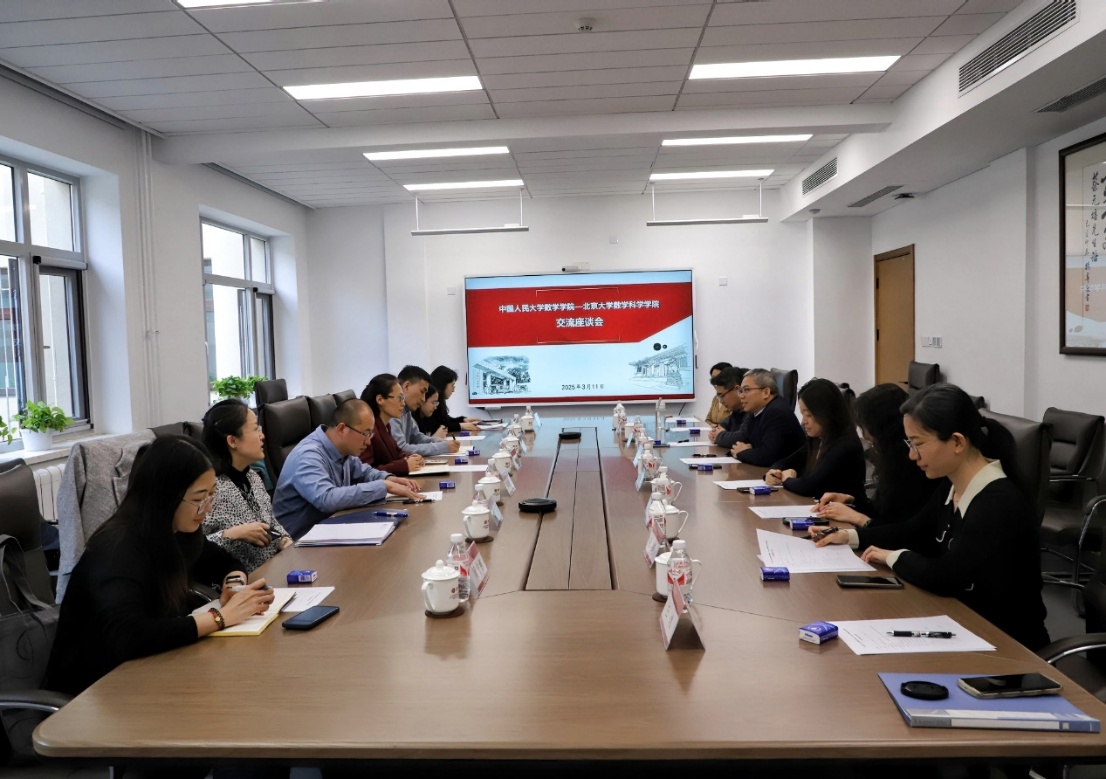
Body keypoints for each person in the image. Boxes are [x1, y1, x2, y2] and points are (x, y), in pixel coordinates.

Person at [814, 383, 1049, 650]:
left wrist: (892, 556)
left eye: (918, 444)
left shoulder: (997, 503)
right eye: (909, 444)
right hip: (963, 625)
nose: (912, 455)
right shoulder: (951, 485)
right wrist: (849, 536)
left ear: (957, 442)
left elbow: (946, 576)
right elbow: (913, 532)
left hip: (1006, 646)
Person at [45, 435, 276, 697]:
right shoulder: (117, 550)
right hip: (96, 692)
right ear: (166, 497)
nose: (207, 508)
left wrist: (234, 586)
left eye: (211, 494)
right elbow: (129, 635)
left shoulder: (176, 531)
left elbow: (224, 562)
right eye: (199, 498)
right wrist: (220, 617)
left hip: (151, 670)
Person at [272, 399, 425, 539]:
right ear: (342, 429)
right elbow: (326, 499)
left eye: (370, 434)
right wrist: (382, 486)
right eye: (365, 434)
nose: (368, 442)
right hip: (298, 543)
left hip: (330, 530)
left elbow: (364, 472)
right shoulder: (308, 455)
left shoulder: (342, 450)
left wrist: (388, 478)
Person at [813, 384, 940, 528]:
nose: (865, 435)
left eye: (865, 426)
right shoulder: (892, 457)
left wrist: (859, 519)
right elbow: (882, 511)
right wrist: (852, 502)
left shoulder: (913, 466)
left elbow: (900, 531)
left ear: (881, 427)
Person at [200, 399, 293, 572]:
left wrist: (284, 540)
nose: (262, 435)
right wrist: (231, 534)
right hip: (241, 579)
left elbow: (271, 523)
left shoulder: (252, 476)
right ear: (232, 441)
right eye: (255, 428)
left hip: (275, 568)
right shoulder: (209, 489)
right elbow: (191, 547)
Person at [765, 378, 865, 498]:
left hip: (847, 509)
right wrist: (774, 473)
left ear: (826, 413)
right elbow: (784, 462)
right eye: (802, 414)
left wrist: (787, 479)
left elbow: (808, 487)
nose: (804, 421)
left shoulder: (844, 446)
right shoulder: (818, 439)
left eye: (808, 415)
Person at [727, 369, 806, 466]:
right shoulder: (755, 411)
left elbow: (768, 456)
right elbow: (745, 440)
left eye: (746, 390)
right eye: (741, 391)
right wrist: (746, 450)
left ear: (766, 392)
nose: (741, 396)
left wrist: (742, 453)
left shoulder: (776, 413)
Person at [360, 373, 425, 475]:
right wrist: (404, 465)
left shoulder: (385, 425)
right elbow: (364, 473)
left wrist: (411, 458)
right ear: (380, 399)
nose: (403, 403)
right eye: (400, 398)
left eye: (403, 399)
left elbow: (397, 454)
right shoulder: (369, 431)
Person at [390, 365, 460, 456]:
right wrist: (442, 447)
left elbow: (417, 437)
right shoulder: (393, 412)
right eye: (422, 392)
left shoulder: (406, 412)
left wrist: (439, 441)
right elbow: (401, 449)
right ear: (406, 386)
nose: (423, 399)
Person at [427, 365, 481, 433]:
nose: (453, 390)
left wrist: (463, 420)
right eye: (452, 385)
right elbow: (437, 427)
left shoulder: (439, 400)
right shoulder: (431, 402)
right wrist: (460, 426)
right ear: (443, 384)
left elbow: (445, 420)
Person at [707, 366, 747, 449]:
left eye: (722, 395)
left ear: (737, 389)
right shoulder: (737, 411)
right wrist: (716, 431)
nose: (721, 401)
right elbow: (724, 425)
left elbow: (743, 438)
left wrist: (719, 436)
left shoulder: (752, 411)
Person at [704, 361, 733, 426]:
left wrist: (717, 427)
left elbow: (732, 423)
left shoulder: (733, 398)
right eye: (713, 379)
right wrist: (712, 426)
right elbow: (708, 419)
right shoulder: (716, 398)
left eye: (718, 378)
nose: (715, 382)